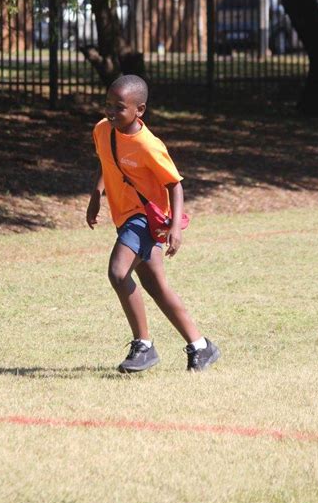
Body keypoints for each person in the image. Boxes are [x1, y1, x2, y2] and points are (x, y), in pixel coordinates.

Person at [86, 74, 220, 373]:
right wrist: (97, 193)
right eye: (107, 104)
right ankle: (201, 346)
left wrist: (174, 227)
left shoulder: (149, 145)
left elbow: (175, 184)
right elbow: (107, 161)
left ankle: (143, 345)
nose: (110, 111)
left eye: (119, 107)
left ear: (139, 110)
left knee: (119, 273)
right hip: (123, 216)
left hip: (145, 218)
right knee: (156, 285)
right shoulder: (103, 130)